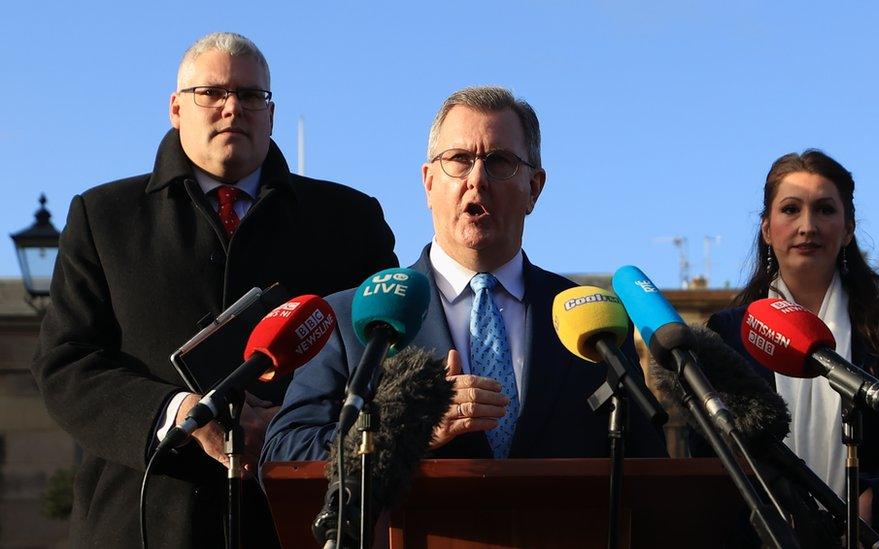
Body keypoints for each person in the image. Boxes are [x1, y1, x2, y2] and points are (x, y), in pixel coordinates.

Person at [30, 32, 397, 548]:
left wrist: (299, 425)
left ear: (270, 115)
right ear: (176, 108)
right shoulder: (103, 217)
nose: (232, 108)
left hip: (303, 518)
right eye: (211, 93)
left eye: (251, 96)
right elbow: (65, 364)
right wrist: (177, 414)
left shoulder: (349, 221)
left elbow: (386, 356)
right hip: (146, 522)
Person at [262, 86, 667, 465]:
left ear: (534, 188)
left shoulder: (596, 326)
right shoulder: (348, 319)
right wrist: (406, 432)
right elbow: (285, 451)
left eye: (499, 162)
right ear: (428, 182)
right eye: (458, 160)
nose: (477, 179)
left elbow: (648, 466)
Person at [704, 149, 879, 547]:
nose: (807, 226)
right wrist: (774, 509)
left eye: (825, 210)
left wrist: (870, 503)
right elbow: (708, 450)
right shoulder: (726, 334)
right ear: (766, 229)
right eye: (791, 209)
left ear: (848, 229)